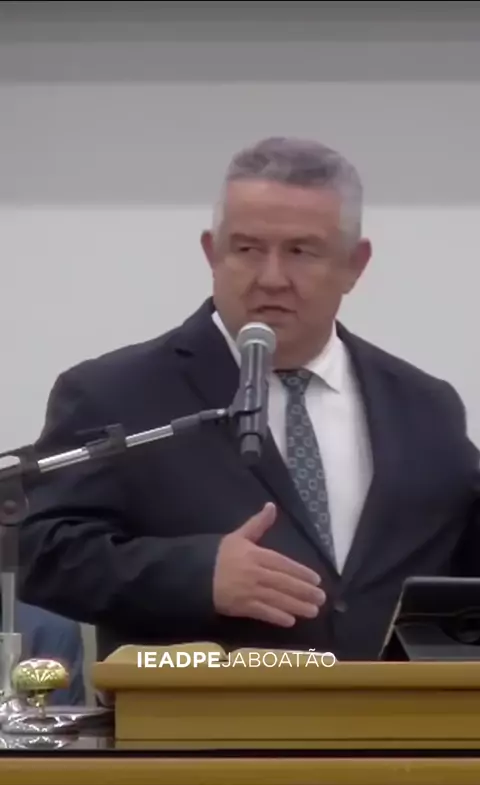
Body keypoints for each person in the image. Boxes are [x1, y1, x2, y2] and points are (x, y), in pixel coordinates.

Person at [17, 136, 480, 663]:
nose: (272, 278)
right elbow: (42, 553)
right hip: (196, 712)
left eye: (301, 251)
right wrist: (197, 574)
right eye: (247, 249)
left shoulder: (424, 406)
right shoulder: (117, 392)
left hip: (395, 713)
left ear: (355, 264)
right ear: (211, 253)